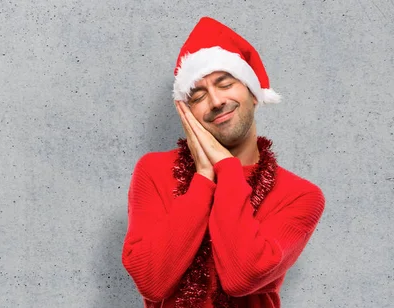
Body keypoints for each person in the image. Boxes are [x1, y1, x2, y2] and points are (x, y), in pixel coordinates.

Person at [121, 17, 325, 308]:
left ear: (253, 94)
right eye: (198, 95)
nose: (216, 101)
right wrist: (204, 176)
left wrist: (227, 170)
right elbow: (153, 281)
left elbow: (241, 277)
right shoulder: (154, 171)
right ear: (186, 112)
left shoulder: (300, 195)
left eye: (225, 83)